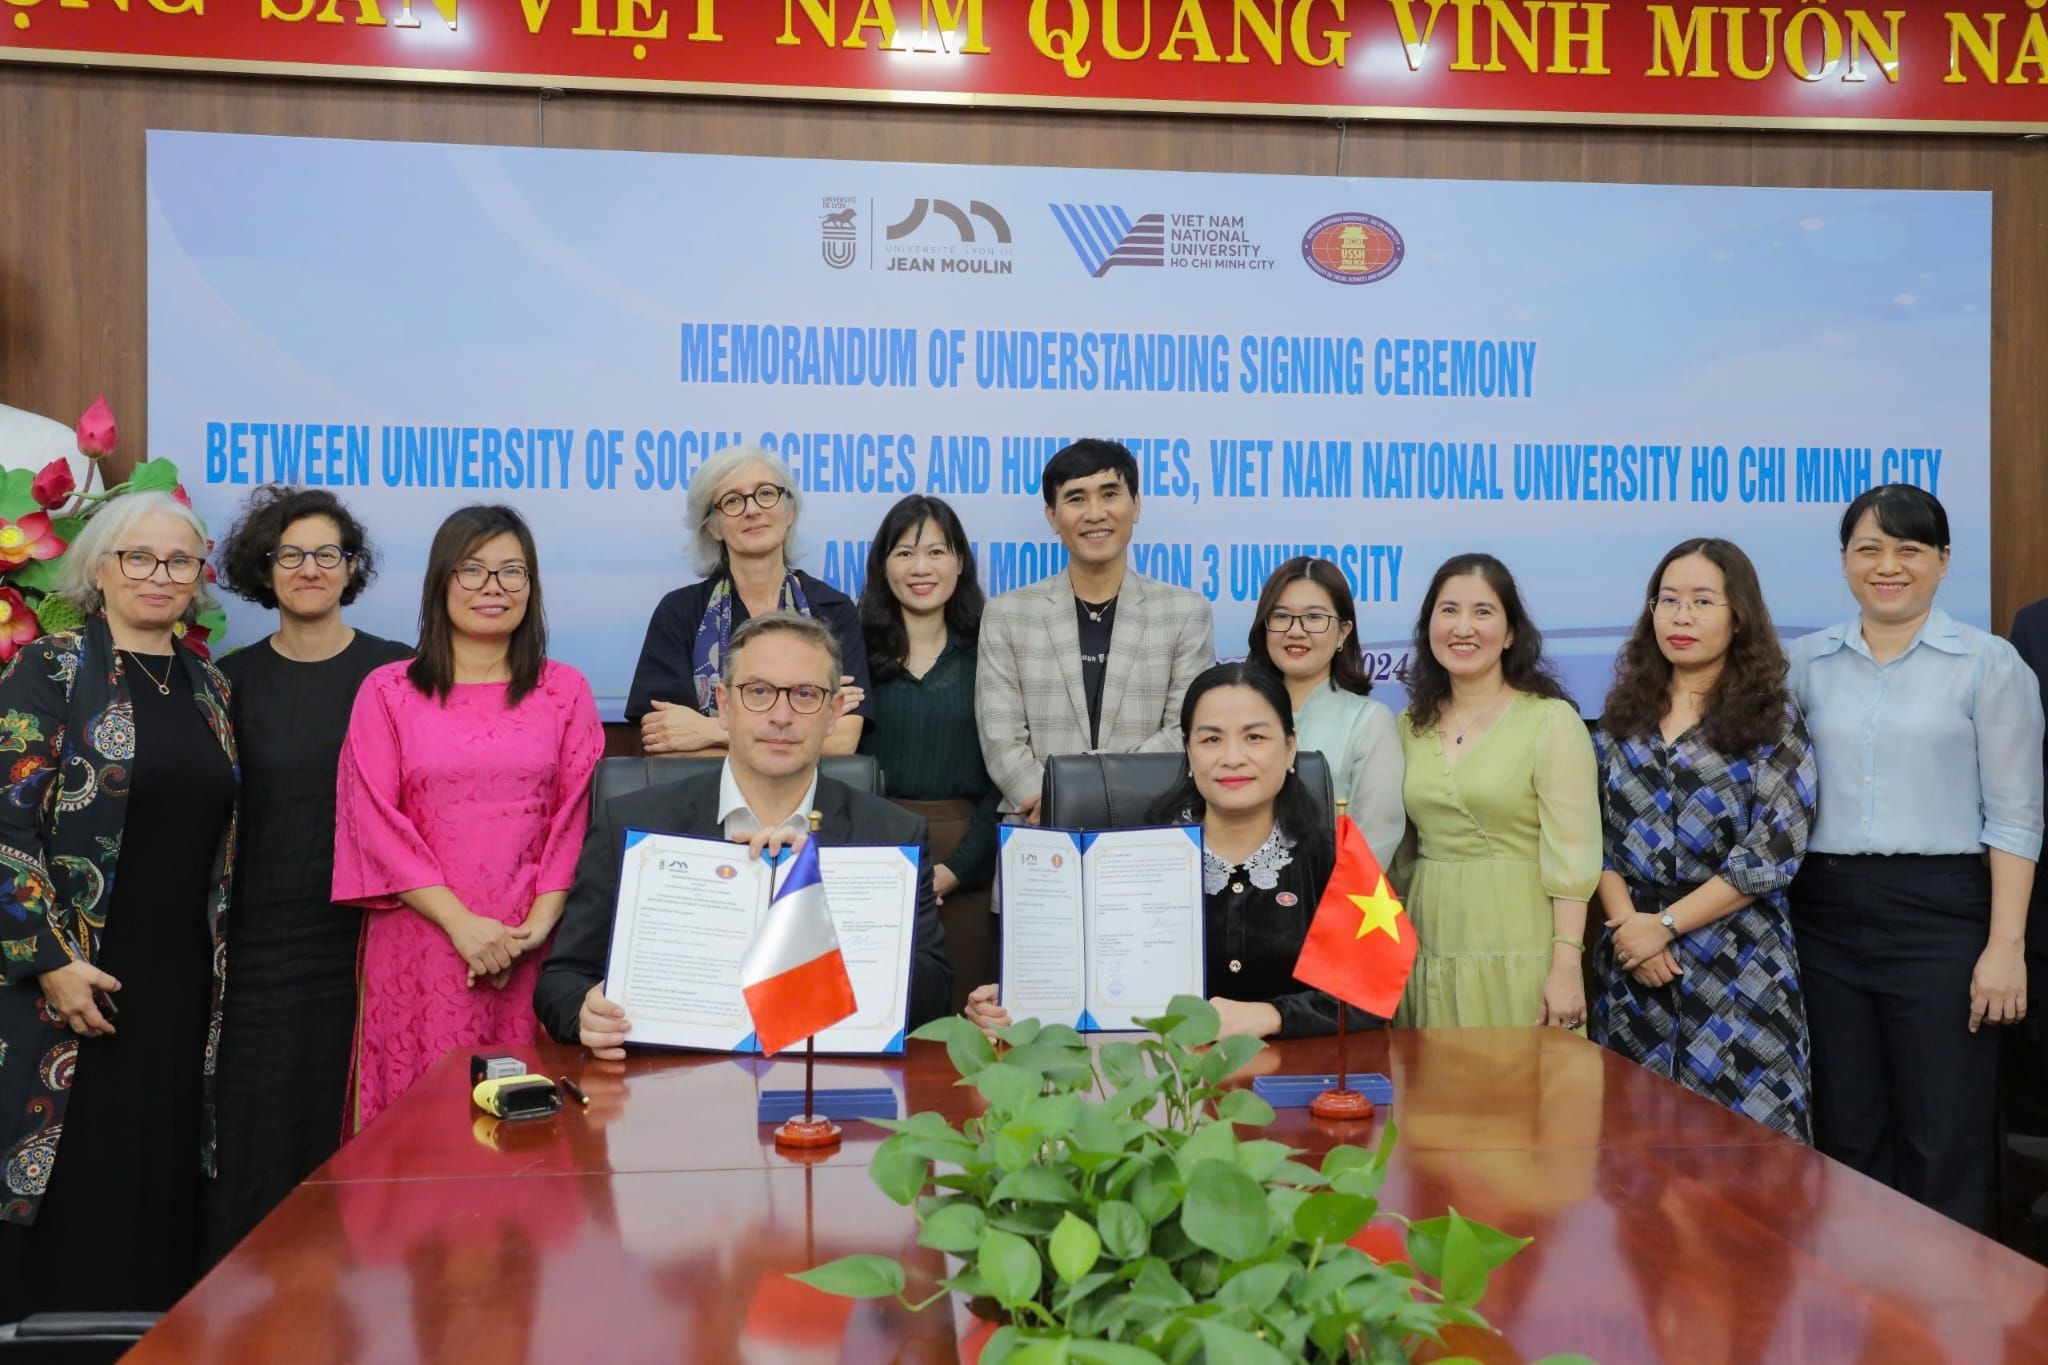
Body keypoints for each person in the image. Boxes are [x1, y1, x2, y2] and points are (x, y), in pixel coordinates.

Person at [0, 490, 236, 1317]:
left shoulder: (211, 687)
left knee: (158, 1203)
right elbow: (5, 825)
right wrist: (53, 962)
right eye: (138, 556)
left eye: (178, 559)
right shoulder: (52, 667)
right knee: (70, 1195)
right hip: (66, 992)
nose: (159, 574)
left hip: (181, 995)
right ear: (98, 568)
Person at [1788, 484, 2041, 1230]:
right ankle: (1860, 1320)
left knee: (1944, 1138)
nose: (1887, 565)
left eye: (1909, 549)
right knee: (1847, 1131)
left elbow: (2018, 816)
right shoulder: (1805, 663)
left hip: (1944, 916)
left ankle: (1943, 1332)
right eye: (1868, 548)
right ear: (1844, 561)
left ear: (1942, 560)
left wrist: (2005, 946)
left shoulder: (1989, 665)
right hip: (1823, 913)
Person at [536, 611, 953, 1054]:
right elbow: (560, 982)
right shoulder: (634, 824)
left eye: (805, 695)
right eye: (758, 692)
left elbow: (932, 995)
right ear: (724, 705)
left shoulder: (891, 836)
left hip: (826, 1091)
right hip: (669, 1090)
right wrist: (585, 1012)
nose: (781, 715)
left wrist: (818, 888)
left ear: (834, 714)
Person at [333, 504, 603, 1130]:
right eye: (473, 570)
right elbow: (373, 820)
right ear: (440, 583)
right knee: (419, 1123)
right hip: (423, 938)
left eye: (513, 572)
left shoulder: (566, 690)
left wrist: (533, 927)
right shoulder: (388, 689)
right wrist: (462, 925)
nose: (494, 587)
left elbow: (576, 816)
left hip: (534, 938)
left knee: (532, 1123)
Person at [207, 486, 411, 1254]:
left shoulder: (395, 673)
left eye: (328, 553)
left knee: (358, 1140)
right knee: (258, 1146)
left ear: (351, 567)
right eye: (290, 554)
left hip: (369, 946)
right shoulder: (227, 681)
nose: (309, 568)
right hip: (257, 953)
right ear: (264, 568)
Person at [965, 662, 1376, 1041]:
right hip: (1158, 1081)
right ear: (1189, 752)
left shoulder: (1335, 856)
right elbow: (1082, 986)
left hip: (1298, 1088)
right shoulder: (1127, 857)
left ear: (1289, 749)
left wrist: (1271, 1016)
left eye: (1255, 737)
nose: (1232, 758)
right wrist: (1015, 1003)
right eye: (1211, 739)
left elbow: (1373, 995)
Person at [1590, 538, 1818, 1140]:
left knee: (1752, 1163)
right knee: (1636, 1163)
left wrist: (1664, 926)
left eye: (1701, 601)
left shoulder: (1774, 715)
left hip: (1739, 964)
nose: (1681, 617)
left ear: (1738, 615)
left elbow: (1773, 850)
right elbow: (1593, 838)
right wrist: (1632, 932)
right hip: (1634, 961)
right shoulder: (1621, 715)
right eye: (1668, 600)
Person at [1393, 553, 1600, 1030]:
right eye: (1449, 611)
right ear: (1429, 627)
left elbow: (1575, 851)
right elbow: (1398, 852)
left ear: (1509, 634)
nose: (1463, 627)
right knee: (1432, 1095)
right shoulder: (1408, 726)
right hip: (1429, 937)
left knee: (1519, 1093)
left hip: (1520, 940)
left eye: (1482, 612)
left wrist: (1567, 966)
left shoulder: (1550, 721)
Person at [977, 439, 1214, 821]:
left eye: (1110, 494)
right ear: (1052, 517)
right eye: (1076, 499)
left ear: (1135, 506)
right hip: (1039, 827)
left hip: (1149, 824)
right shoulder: (1008, 614)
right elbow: (1000, 739)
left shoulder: (1185, 613)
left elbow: (1183, 730)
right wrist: (1058, 803)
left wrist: (1099, 799)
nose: (1095, 513)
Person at [626, 444, 870, 756]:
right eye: (732, 501)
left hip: (809, 800)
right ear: (713, 526)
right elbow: (666, 744)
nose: (752, 509)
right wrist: (795, 739)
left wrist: (708, 730)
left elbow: (842, 741)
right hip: (704, 798)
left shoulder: (832, 610)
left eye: (766, 494)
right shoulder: (679, 612)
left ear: (790, 510)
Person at [857, 494, 1000, 1011]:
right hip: (873, 857)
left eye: (937, 552)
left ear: (960, 563)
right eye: (904, 553)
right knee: (880, 1018)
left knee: (969, 1029)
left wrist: (956, 870)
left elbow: (1005, 776)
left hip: (969, 862)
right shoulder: (854, 653)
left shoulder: (991, 650)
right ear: (882, 566)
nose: (921, 568)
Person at [1245, 555, 1404, 863]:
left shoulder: (1369, 722)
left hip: (1330, 902)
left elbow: (1374, 843)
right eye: (1281, 616)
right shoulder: (1235, 714)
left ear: (1343, 632)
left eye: (1314, 618)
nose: (1295, 631)